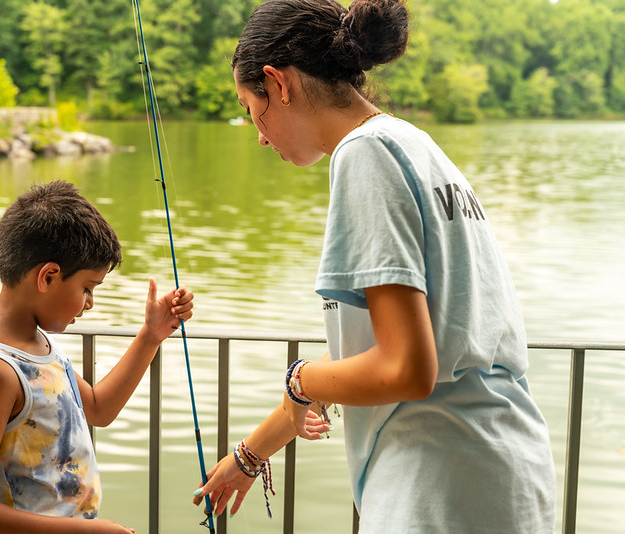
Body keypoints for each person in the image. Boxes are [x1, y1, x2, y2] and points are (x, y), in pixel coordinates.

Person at [193, 1, 556, 532]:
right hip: (506, 470)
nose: (260, 135)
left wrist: (300, 380)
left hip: (438, 487)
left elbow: (406, 368)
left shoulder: (364, 156)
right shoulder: (413, 143)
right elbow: (380, 345)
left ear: (277, 83)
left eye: (251, 107)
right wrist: (252, 453)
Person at [0, 180, 194, 533]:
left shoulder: (37, 345)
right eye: (87, 289)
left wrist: (151, 336)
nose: (89, 303)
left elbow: (97, 408)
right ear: (48, 276)